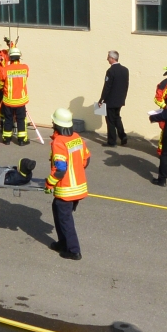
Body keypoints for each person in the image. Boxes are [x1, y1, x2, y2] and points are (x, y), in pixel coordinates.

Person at [46, 107, 91, 261]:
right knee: (58, 212)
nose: (52, 123)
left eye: (53, 122)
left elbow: (60, 169)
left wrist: (49, 183)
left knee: (65, 219)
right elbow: (86, 159)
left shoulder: (59, 142)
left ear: (57, 124)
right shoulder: (77, 138)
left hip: (66, 189)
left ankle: (73, 250)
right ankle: (62, 243)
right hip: (78, 187)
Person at [98, 50, 129, 147]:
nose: (107, 59)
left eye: (108, 57)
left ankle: (112, 141)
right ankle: (123, 136)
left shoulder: (111, 71)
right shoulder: (125, 70)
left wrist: (101, 99)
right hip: (120, 100)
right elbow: (126, 85)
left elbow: (107, 86)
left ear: (112, 58)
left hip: (111, 100)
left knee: (110, 121)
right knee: (117, 118)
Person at [0, 47, 30, 145]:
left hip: (8, 100)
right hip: (20, 100)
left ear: (10, 58)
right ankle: (22, 140)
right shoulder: (25, 67)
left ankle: (6, 139)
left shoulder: (5, 69)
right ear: (19, 57)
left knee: (8, 119)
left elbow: (1, 84)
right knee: (21, 120)